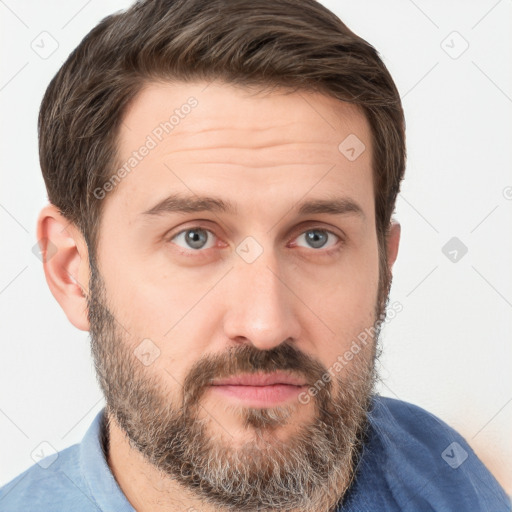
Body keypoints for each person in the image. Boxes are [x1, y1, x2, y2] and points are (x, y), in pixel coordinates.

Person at [0, 0, 509, 510]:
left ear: (385, 266)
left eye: (316, 238)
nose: (266, 325)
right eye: (194, 237)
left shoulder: (455, 476)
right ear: (72, 271)